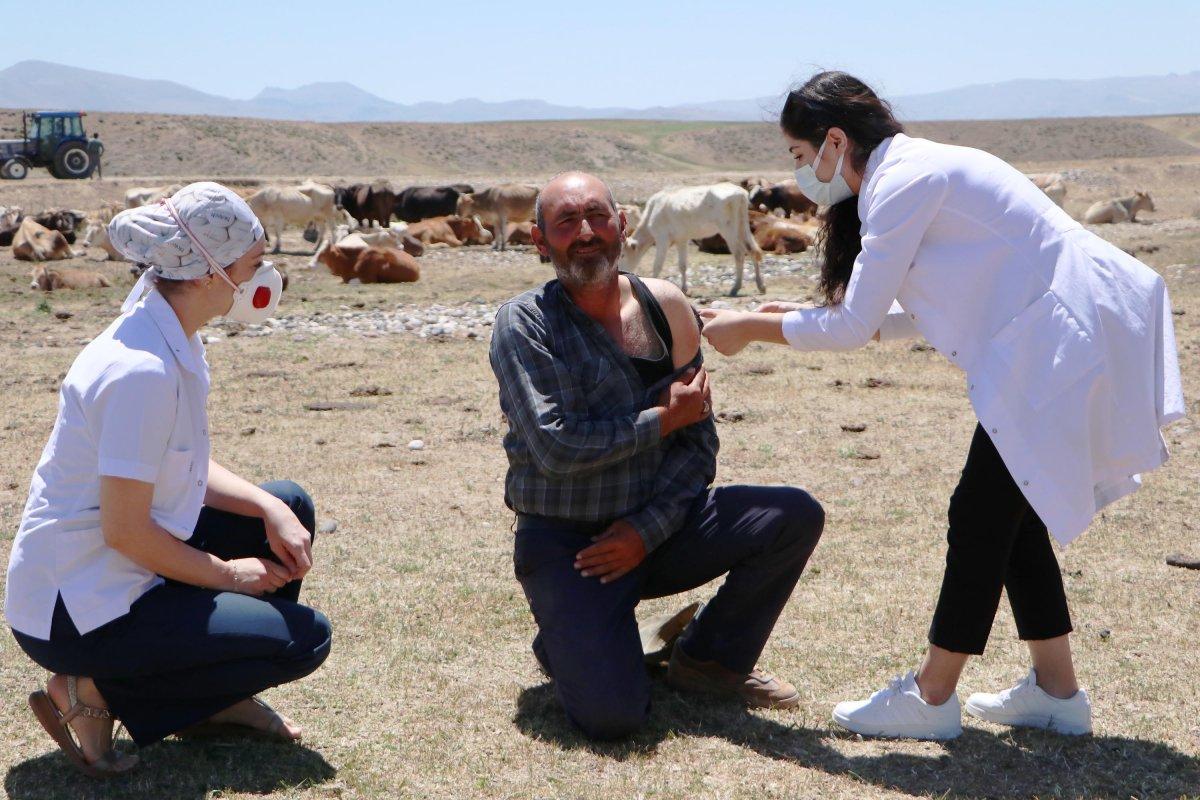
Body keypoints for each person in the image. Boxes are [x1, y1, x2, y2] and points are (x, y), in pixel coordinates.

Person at [700, 72, 1185, 740]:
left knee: (981, 511)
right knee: (1009, 512)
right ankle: (1057, 690)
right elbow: (906, 311)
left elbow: (850, 330)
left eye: (798, 155)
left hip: (1057, 335)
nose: (801, 173)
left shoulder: (902, 183)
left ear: (834, 141)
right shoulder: (914, 171)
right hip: (1052, 331)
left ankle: (931, 699)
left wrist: (754, 330)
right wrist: (782, 313)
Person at [5, 182, 332, 777]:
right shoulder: (140, 371)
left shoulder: (163, 324)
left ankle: (209, 699)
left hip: (108, 570)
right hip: (74, 608)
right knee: (304, 640)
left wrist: (267, 508)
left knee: (288, 504)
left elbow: (175, 462)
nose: (265, 276)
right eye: (254, 264)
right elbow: (126, 532)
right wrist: (232, 577)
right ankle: (88, 692)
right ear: (210, 271)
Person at [489, 171, 825, 740]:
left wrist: (646, 529)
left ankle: (708, 662)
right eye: (566, 223)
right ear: (540, 242)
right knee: (613, 720)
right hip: (572, 545)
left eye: (598, 216)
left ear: (623, 225)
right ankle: (573, 635)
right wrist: (662, 419)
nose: (586, 232)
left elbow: (699, 446)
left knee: (791, 516)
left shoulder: (666, 307)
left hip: (658, 528)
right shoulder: (525, 324)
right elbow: (555, 445)